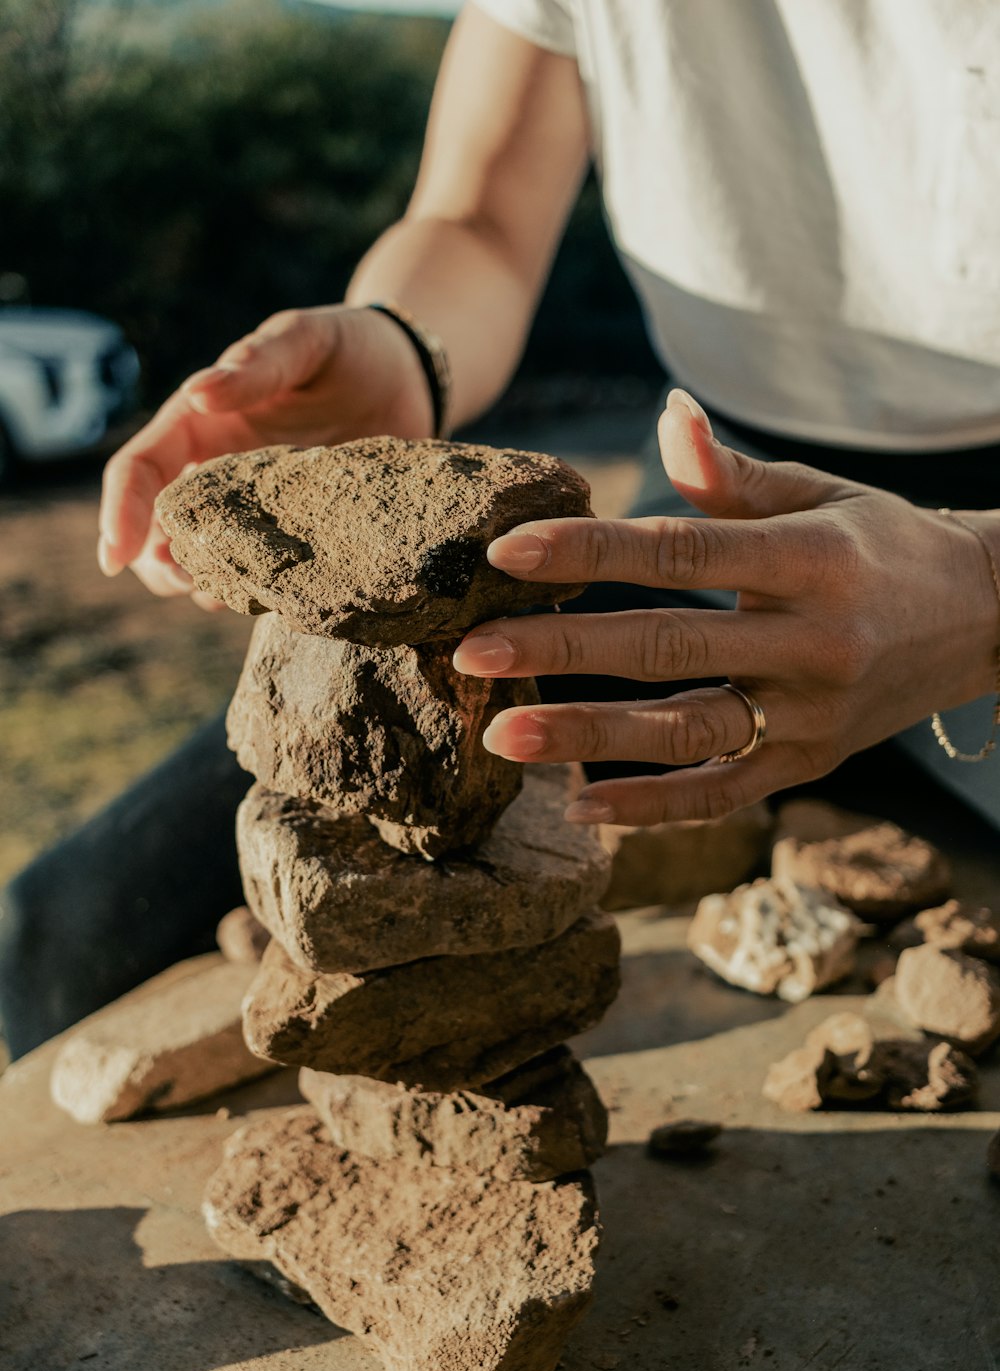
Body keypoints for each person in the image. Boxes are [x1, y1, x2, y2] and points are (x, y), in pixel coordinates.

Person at [3, 0, 999, 1055]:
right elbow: (479, 220)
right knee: (62, 940)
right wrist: (402, 349)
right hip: (717, 514)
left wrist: (980, 588)